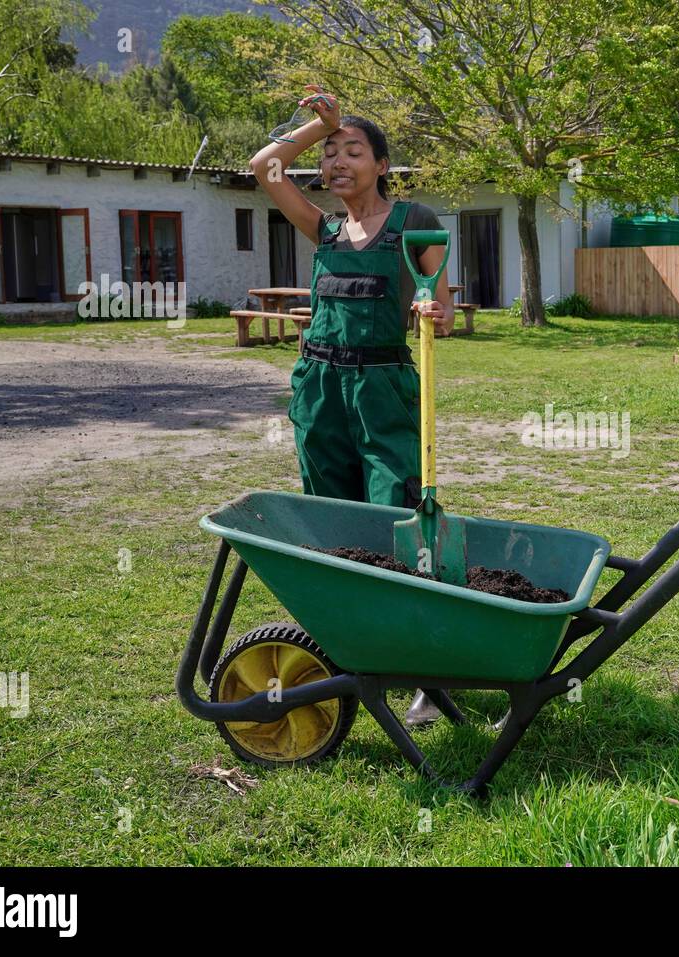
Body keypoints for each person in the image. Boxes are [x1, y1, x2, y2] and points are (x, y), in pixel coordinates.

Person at [250, 86, 452, 728]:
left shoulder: (415, 222)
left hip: (384, 392)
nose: (337, 163)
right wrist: (320, 125)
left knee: (396, 520)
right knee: (332, 524)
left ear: (382, 165)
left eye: (353, 151)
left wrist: (433, 310)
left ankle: (424, 673)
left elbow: (440, 311)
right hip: (319, 389)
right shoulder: (323, 226)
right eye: (330, 155)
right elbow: (265, 168)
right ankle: (348, 663)